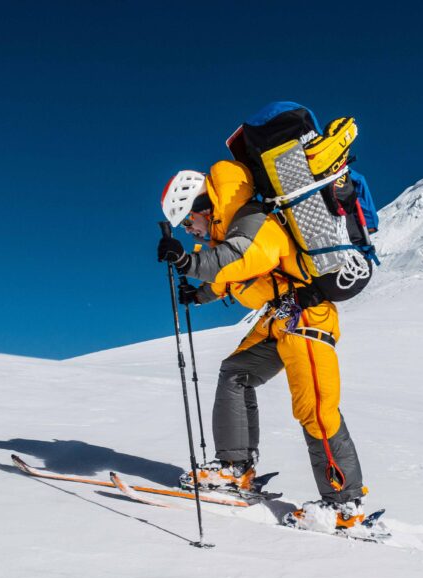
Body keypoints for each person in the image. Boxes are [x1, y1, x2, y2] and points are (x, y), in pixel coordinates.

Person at [157, 160, 367, 530]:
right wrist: (200, 291)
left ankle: (342, 506)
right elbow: (238, 276)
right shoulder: (232, 229)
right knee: (235, 372)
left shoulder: (254, 219)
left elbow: (245, 257)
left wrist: (191, 261)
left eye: (189, 221)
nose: (191, 229)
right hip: (280, 319)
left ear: (203, 207)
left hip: (306, 317)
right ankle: (235, 468)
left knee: (316, 410)